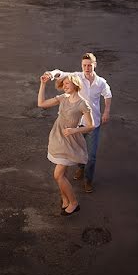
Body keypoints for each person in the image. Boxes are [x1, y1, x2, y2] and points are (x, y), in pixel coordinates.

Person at [48, 53, 112, 193]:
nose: (87, 68)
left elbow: (108, 95)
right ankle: (81, 168)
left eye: (90, 65)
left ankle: (88, 180)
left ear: (95, 65)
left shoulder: (101, 82)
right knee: (78, 150)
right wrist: (51, 74)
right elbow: (61, 73)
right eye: (84, 65)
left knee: (92, 155)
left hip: (92, 124)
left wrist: (106, 111)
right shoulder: (77, 77)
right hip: (76, 123)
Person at [38, 72, 95, 216]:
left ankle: (74, 202)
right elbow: (41, 104)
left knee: (57, 175)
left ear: (75, 84)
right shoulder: (63, 98)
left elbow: (91, 126)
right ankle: (64, 197)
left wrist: (74, 130)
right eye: (63, 84)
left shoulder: (83, 104)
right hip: (58, 138)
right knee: (62, 174)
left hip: (71, 142)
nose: (64, 86)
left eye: (67, 84)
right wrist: (43, 84)